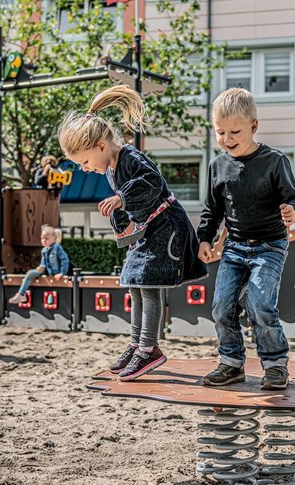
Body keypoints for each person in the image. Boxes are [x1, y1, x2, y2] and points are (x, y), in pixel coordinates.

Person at [58, 84, 208, 382]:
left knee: (148, 285)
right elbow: (122, 207)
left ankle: (149, 348)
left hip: (167, 227)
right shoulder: (112, 168)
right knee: (134, 283)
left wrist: (122, 199)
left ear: (101, 146)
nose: (85, 169)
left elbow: (151, 182)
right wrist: (121, 223)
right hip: (150, 229)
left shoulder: (128, 157)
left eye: (84, 162)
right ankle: (137, 343)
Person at [197, 87, 295, 390]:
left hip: (270, 246)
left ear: (253, 126)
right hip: (234, 247)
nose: (227, 139)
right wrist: (204, 239)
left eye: (235, 131)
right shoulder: (218, 166)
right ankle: (231, 363)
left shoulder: (274, 161)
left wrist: (292, 211)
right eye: (220, 132)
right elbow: (212, 209)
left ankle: (274, 365)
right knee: (221, 306)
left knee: (259, 304)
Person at [9, 225, 69, 304]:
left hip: (55, 272)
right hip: (46, 271)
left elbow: (65, 260)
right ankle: (21, 294)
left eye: (46, 238)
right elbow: (44, 262)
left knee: (52, 297)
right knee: (30, 273)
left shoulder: (57, 247)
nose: (44, 240)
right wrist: (41, 267)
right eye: (42, 238)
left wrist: (62, 273)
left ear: (54, 238)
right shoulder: (44, 250)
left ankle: (23, 291)